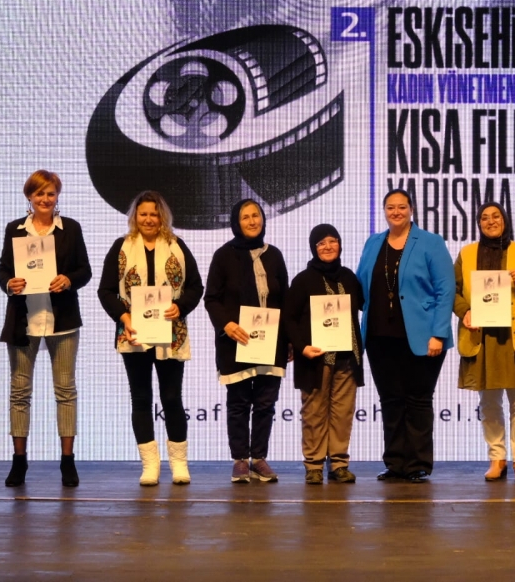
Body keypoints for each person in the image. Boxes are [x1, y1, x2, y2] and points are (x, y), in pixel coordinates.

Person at [98, 191, 203, 486]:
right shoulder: (121, 247)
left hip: (170, 334)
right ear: (135, 216)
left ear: (162, 216)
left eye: (154, 214)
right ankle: (150, 466)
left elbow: (195, 286)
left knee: (171, 398)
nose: (148, 219)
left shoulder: (177, 246)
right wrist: (124, 317)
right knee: (141, 398)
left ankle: (179, 464)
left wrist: (180, 306)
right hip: (134, 334)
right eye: (143, 214)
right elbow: (106, 290)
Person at [0, 170, 92, 488]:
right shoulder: (15, 229)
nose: (45, 199)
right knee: (19, 392)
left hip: (62, 321)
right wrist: (9, 283)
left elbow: (85, 270)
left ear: (57, 196)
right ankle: (19, 461)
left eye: (51, 193)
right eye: (40, 193)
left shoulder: (71, 228)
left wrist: (69, 279)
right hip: (23, 321)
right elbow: (3, 271)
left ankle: (67, 462)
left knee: (65, 391)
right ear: (29, 196)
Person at [355, 189, 455, 483]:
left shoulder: (431, 242)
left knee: (418, 401)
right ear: (384, 211)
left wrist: (439, 333)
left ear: (411, 209)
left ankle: (418, 464)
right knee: (390, 401)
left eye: (401, 207)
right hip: (379, 338)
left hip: (423, 337)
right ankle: (396, 463)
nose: (396, 212)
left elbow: (446, 290)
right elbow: (360, 285)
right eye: (390, 207)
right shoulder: (373, 243)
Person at [454, 202, 515, 484]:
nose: (490, 221)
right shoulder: (466, 254)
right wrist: (464, 312)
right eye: (484, 218)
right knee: (489, 403)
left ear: (505, 220)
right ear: (478, 223)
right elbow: (453, 291)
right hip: (483, 337)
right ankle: (497, 458)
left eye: (496, 216)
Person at [204, 199, 289, 483]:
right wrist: (226, 324)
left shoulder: (274, 255)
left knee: (265, 404)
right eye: (245, 217)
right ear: (236, 222)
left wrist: (289, 340)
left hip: (271, 342)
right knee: (239, 403)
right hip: (236, 342)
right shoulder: (223, 255)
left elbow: (285, 299)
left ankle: (259, 459)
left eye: (256, 215)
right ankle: (240, 459)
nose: (252, 221)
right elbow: (211, 299)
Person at [282, 224, 365, 485]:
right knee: (314, 413)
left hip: (347, 358)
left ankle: (338, 463)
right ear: (313, 248)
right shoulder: (303, 280)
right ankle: (314, 464)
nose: (328, 247)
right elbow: (289, 318)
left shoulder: (350, 277)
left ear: (340, 244)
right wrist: (301, 346)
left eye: (332, 241)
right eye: (321, 243)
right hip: (315, 359)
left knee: (343, 414)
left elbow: (363, 306)